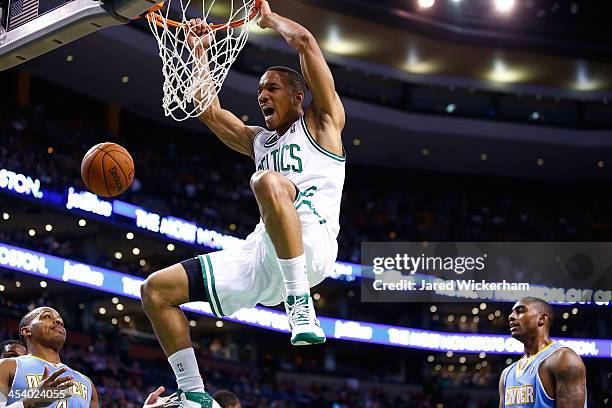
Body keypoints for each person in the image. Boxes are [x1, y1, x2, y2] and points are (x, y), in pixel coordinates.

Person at [141, 0, 345, 405]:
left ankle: (300, 303)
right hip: (262, 253)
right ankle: (193, 393)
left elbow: (305, 42)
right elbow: (208, 109)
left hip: (313, 244)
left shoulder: (323, 122)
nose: (262, 95)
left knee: (268, 180)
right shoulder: (259, 141)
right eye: (258, 90)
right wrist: (198, 50)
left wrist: (269, 20)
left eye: (271, 87)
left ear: (298, 94)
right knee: (155, 291)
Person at [0, 307, 98, 407]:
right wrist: (30, 402)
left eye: (60, 320)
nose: (59, 321)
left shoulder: (87, 383)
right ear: (26, 331)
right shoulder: (7, 366)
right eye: (47, 316)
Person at [499, 297, 587, 407]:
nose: (511, 316)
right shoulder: (506, 374)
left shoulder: (564, 359)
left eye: (520, 311)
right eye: (512, 312)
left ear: (542, 318)